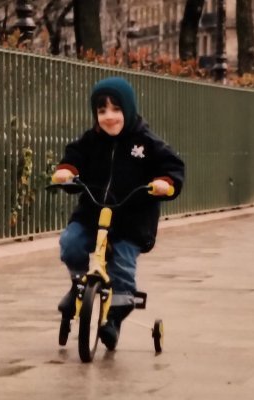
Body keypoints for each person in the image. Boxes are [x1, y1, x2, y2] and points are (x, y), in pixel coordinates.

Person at [51, 76, 185, 351]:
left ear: (129, 109)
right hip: (93, 214)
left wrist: (165, 183)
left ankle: (113, 317)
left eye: (116, 109)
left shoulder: (146, 142)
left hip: (131, 219)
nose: (109, 117)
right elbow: (73, 158)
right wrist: (67, 172)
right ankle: (78, 284)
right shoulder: (91, 141)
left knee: (122, 267)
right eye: (102, 111)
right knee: (70, 243)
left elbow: (171, 166)